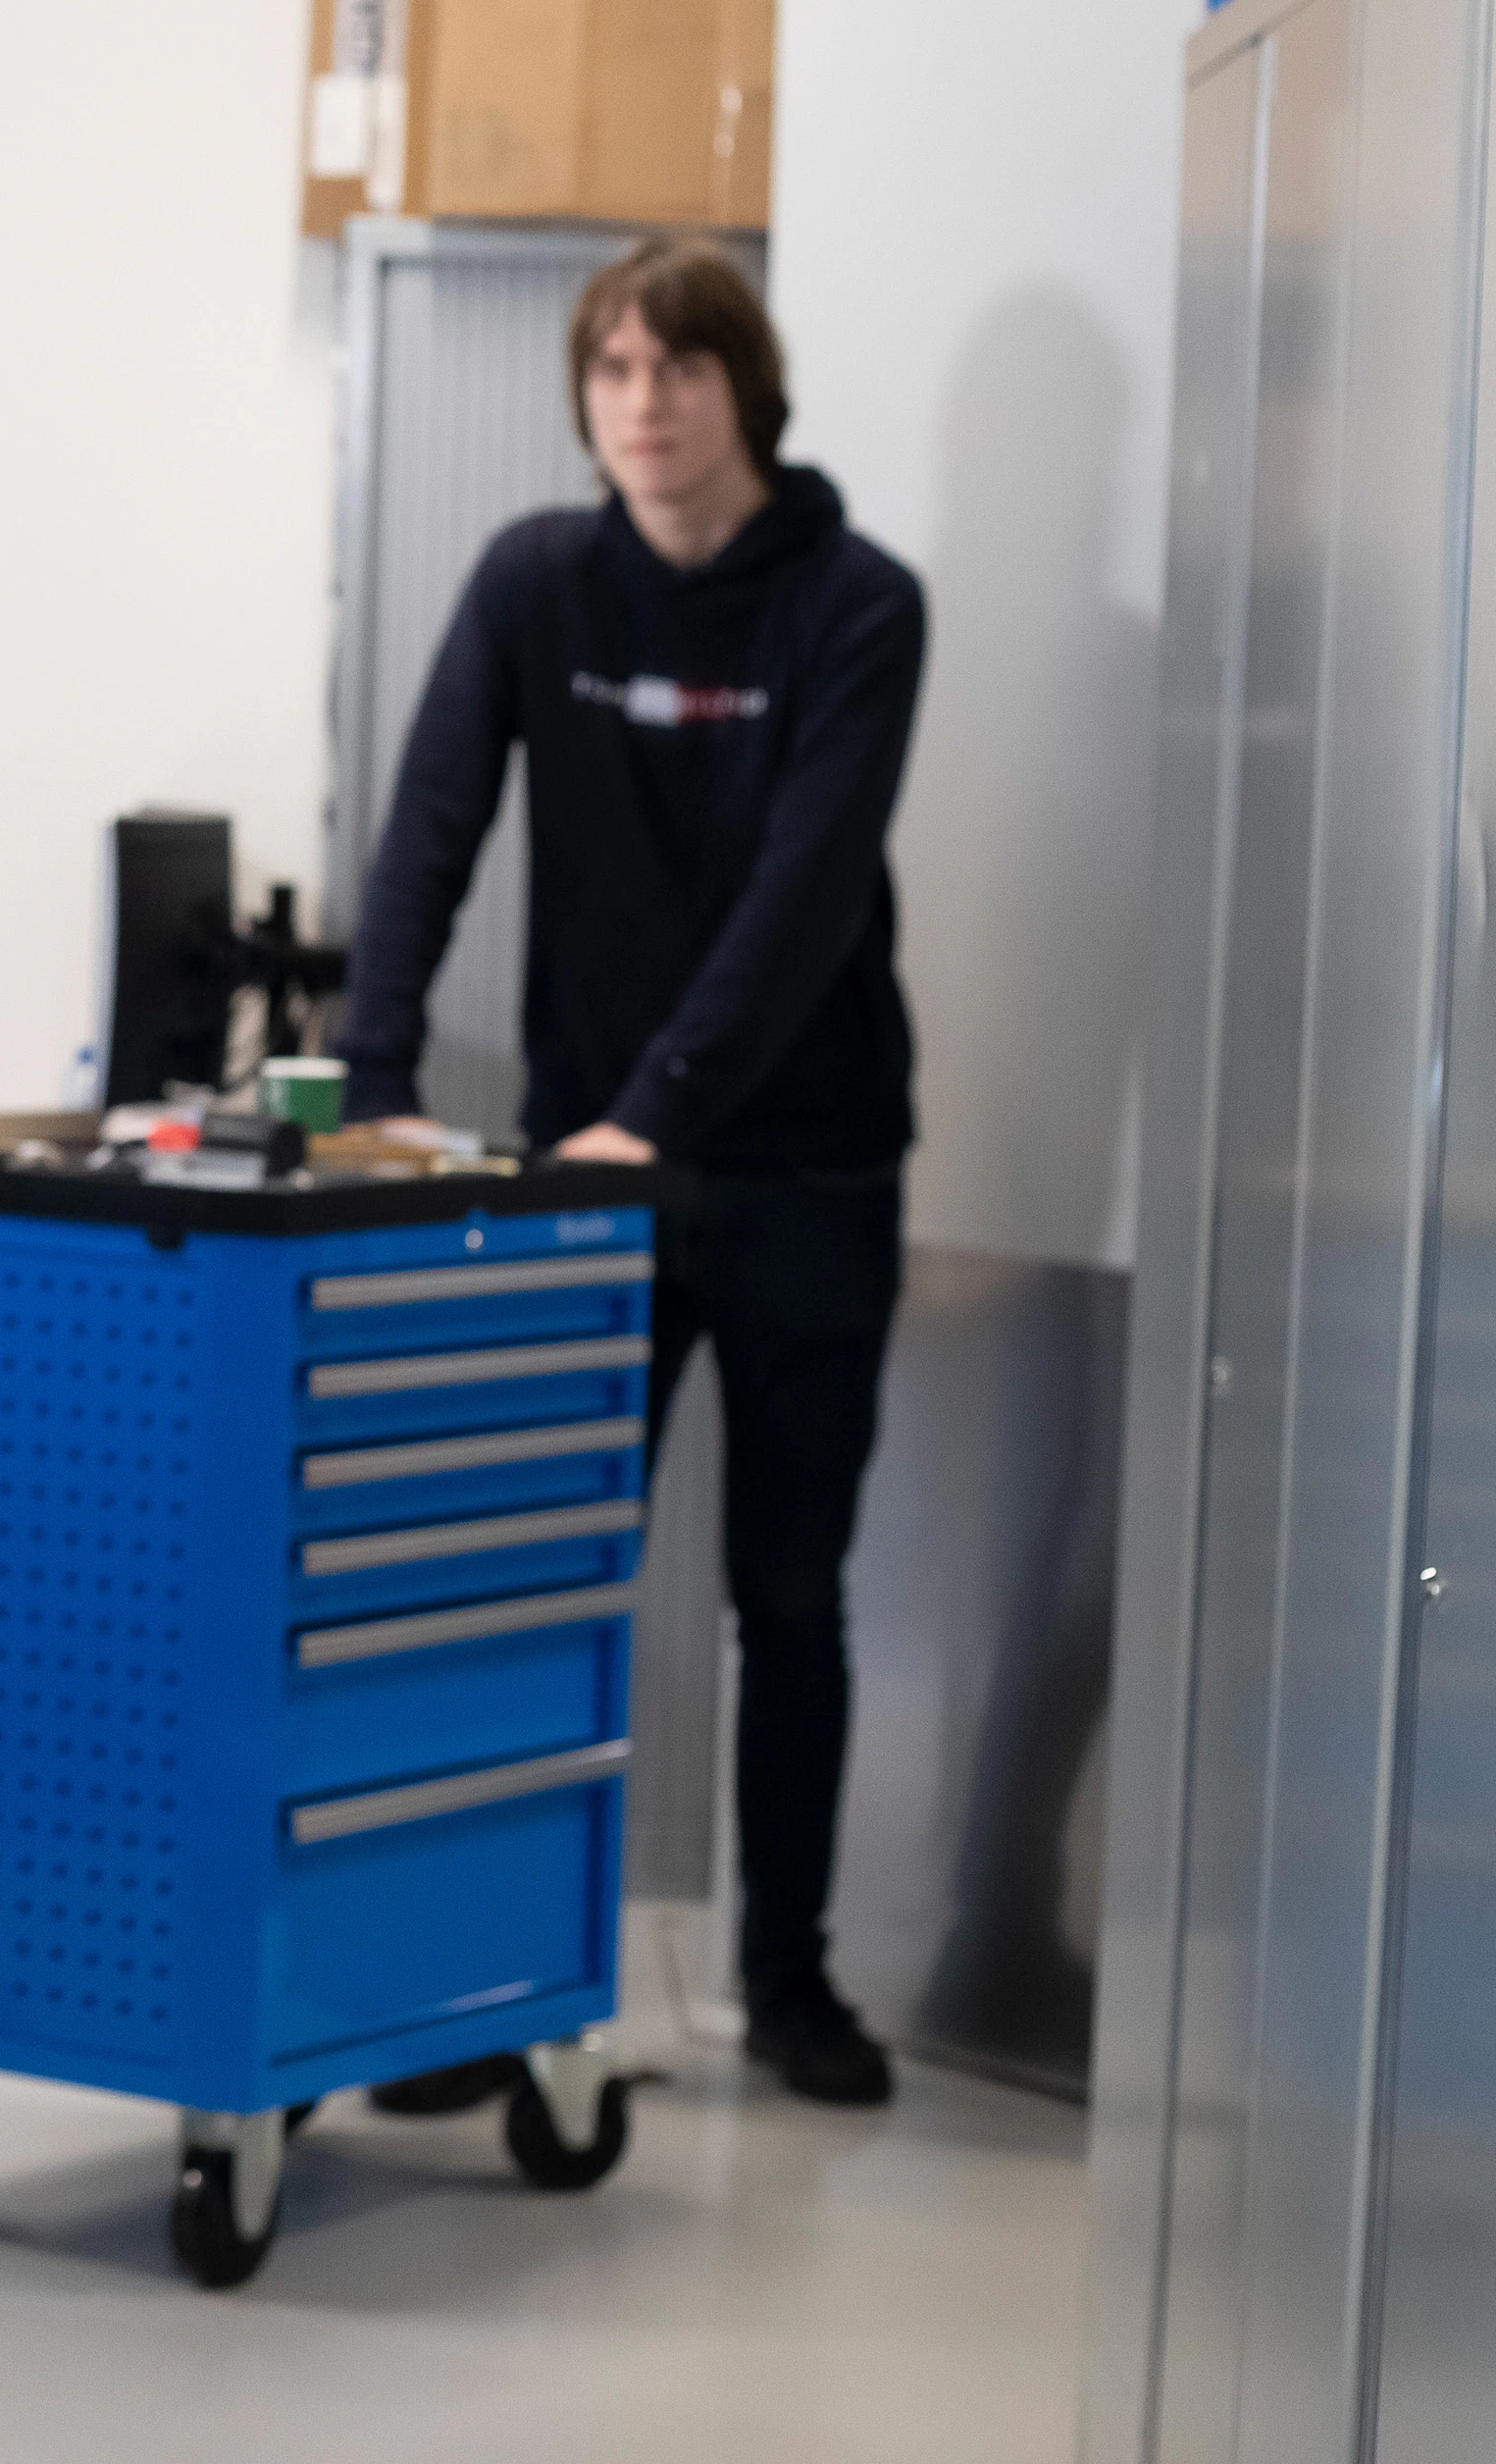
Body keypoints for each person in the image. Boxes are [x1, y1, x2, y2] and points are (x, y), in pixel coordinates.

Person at [333, 238, 926, 2112]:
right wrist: (373, 1076)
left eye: (679, 367)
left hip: (808, 1171)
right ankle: (482, 1988)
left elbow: (804, 896)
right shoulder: (538, 581)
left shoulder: (857, 604)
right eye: (612, 370)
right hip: (592, 1179)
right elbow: (430, 826)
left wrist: (656, 1109)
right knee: (536, 1583)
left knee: (789, 1592)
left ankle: (791, 1982)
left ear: (749, 389)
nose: (644, 403)